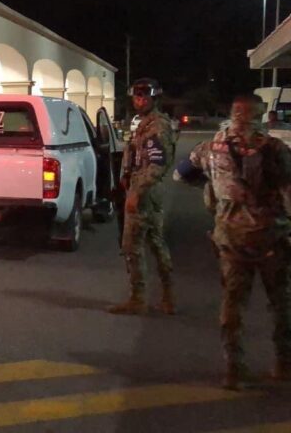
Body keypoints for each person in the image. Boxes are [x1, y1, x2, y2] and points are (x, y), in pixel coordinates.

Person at [185, 94, 291, 390]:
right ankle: (284, 364)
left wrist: (212, 186)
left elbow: (183, 175)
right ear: (261, 115)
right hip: (272, 238)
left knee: (233, 304)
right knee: (281, 303)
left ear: (232, 113)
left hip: (231, 240)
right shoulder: (275, 148)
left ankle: (234, 369)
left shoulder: (210, 148)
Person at [109, 78, 177, 315]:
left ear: (155, 98)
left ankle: (139, 299)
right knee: (156, 244)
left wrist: (136, 193)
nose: (139, 100)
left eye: (144, 96)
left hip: (145, 192)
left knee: (132, 246)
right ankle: (168, 297)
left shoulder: (157, 125)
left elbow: (157, 164)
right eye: (136, 97)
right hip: (144, 189)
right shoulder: (144, 124)